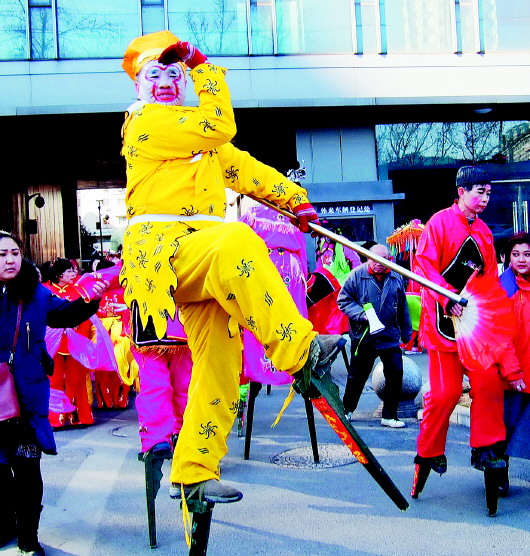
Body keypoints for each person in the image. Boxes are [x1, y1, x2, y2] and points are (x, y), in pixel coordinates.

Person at [119, 31, 343, 503]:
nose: (164, 82)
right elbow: (222, 127)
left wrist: (295, 202)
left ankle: (195, 469)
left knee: (221, 365)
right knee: (238, 236)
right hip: (163, 253)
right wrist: (203, 65)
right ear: (137, 85)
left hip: (204, 255)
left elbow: (246, 169)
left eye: (174, 73)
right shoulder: (146, 125)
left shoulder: (202, 143)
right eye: (153, 74)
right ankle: (297, 348)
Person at [411, 166, 524, 492]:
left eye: (489, 193)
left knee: (489, 384)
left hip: (474, 326)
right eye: (480, 192)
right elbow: (424, 266)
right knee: (445, 394)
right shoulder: (439, 223)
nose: (485, 199)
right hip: (443, 325)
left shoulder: (486, 233)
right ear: (461, 192)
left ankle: (485, 449)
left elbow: (488, 282)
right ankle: (428, 451)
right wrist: (447, 297)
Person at [0, 231, 108, 556]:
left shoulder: (35, 293)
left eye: (14, 253)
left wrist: (92, 299)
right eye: (2, 254)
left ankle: (28, 537)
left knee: (28, 471)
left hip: (25, 402)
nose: (9, 259)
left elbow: (66, 314)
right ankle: (6, 524)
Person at [337, 243, 412, 427]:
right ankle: (346, 410)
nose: (378, 263)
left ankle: (389, 416)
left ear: (389, 259)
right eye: (374, 259)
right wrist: (362, 315)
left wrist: (407, 332)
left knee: (395, 375)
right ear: (368, 258)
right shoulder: (357, 274)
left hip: (389, 335)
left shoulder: (395, 275)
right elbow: (343, 300)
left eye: (383, 260)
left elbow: (403, 306)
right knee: (357, 376)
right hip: (364, 336)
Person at [498, 232, 530, 492]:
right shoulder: (503, 288)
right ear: (507, 258)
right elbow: (499, 337)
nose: (522, 259)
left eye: (527, 254)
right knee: (505, 429)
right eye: (516, 254)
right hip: (512, 375)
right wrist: (512, 372)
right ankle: (500, 473)